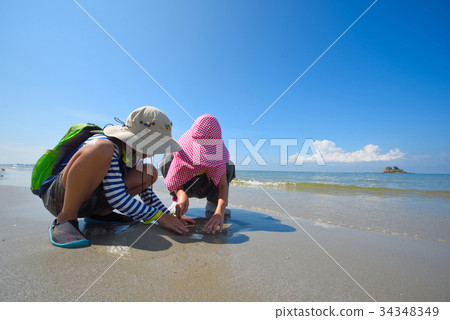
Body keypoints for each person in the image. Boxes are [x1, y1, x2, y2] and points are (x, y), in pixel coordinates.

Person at [40, 106, 190, 248]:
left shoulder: (133, 155)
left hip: (88, 203)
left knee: (150, 171)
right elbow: (116, 197)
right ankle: (65, 219)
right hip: (60, 198)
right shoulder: (106, 144)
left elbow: (147, 195)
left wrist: (169, 215)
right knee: (101, 148)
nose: (153, 153)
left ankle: (100, 215)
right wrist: (159, 217)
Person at [160, 114, 235, 234]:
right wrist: (181, 194)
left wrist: (219, 212)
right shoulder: (181, 153)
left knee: (228, 165)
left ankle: (213, 205)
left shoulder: (218, 159)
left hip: (208, 187)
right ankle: (179, 203)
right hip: (186, 186)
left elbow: (222, 185)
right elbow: (174, 177)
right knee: (167, 159)